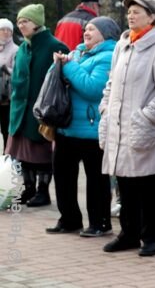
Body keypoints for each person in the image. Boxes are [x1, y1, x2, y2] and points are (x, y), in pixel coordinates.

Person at [99, 0, 155, 256]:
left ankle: (154, 238)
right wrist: (105, 108)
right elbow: (111, 82)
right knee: (125, 182)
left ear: (152, 17)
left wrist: (146, 116)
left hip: (142, 125)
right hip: (119, 126)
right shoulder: (122, 45)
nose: (130, 16)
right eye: (129, 12)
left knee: (148, 184)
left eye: (137, 12)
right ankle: (129, 233)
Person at [48, 16, 120, 237]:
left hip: (91, 129)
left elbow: (92, 88)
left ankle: (100, 223)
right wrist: (58, 65)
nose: (86, 32)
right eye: (85, 29)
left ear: (106, 33)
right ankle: (69, 219)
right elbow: (56, 78)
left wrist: (68, 67)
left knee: (96, 180)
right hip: (67, 126)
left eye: (92, 29)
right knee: (62, 176)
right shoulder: (76, 52)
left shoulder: (109, 56)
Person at [5, 4, 69, 207]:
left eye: (25, 21)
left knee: (41, 153)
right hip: (20, 109)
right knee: (22, 153)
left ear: (37, 23)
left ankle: (43, 191)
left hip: (43, 108)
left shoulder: (54, 45)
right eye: (19, 22)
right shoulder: (24, 47)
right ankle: (29, 188)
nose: (21, 25)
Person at [0, 17, 19, 150]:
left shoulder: (16, 49)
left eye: (9, 30)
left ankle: (8, 153)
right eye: (3, 30)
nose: (6, 32)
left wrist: (5, 69)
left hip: (7, 95)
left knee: (6, 127)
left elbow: (17, 71)